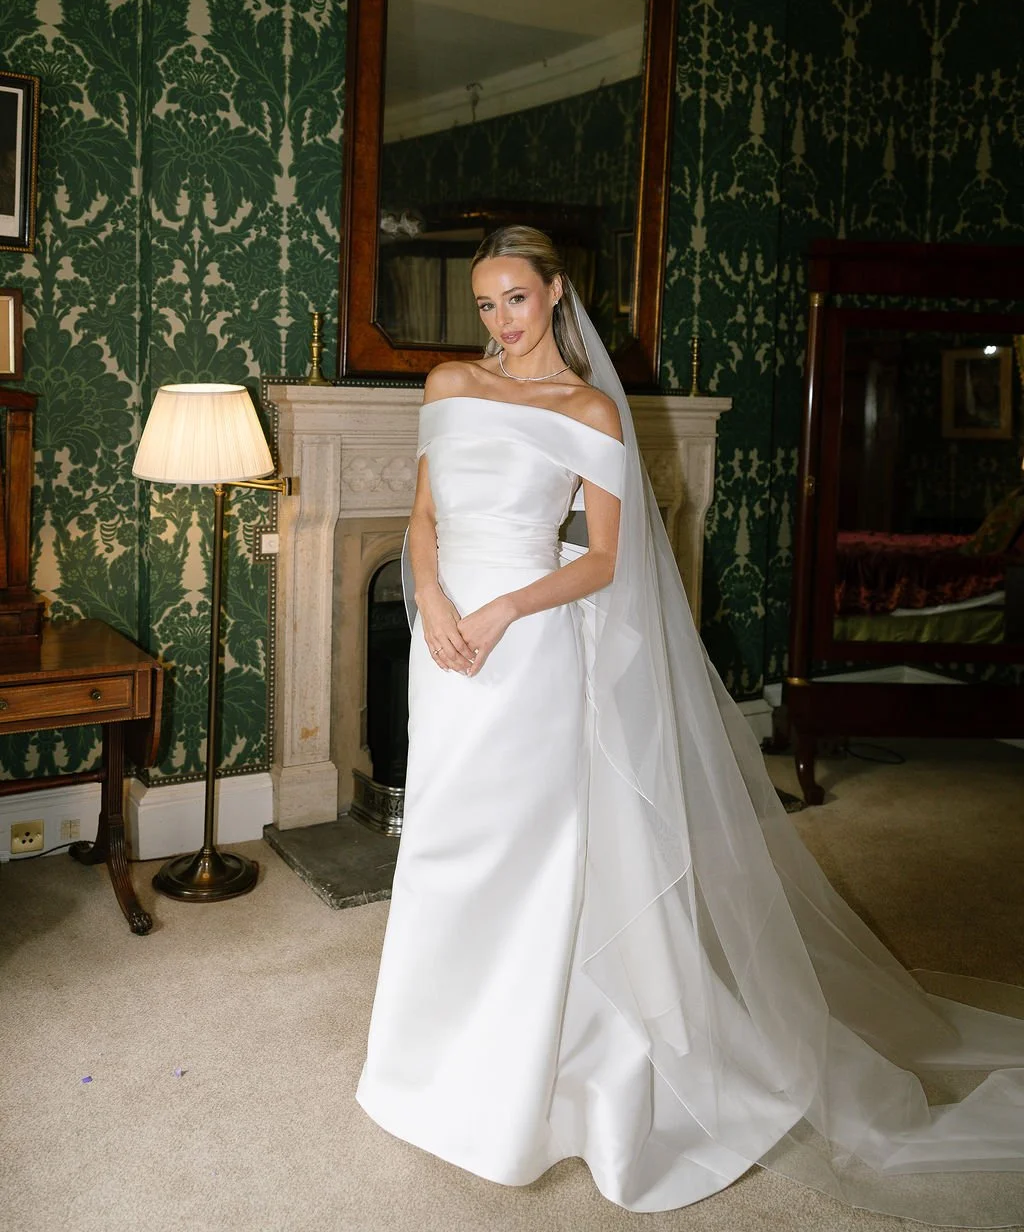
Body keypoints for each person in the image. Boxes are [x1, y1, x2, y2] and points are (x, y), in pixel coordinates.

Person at [357, 225, 1024, 1223]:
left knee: (532, 854)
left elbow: (602, 562)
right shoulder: (448, 387)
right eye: (484, 303)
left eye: (516, 299)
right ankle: (429, 1064)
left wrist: (498, 608)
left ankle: (533, 1072)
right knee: (445, 845)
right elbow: (421, 518)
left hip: (529, 644)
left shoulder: (587, 411)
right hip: (445, 644)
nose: (498, 321)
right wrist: (436, 604)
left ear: (555, 295)